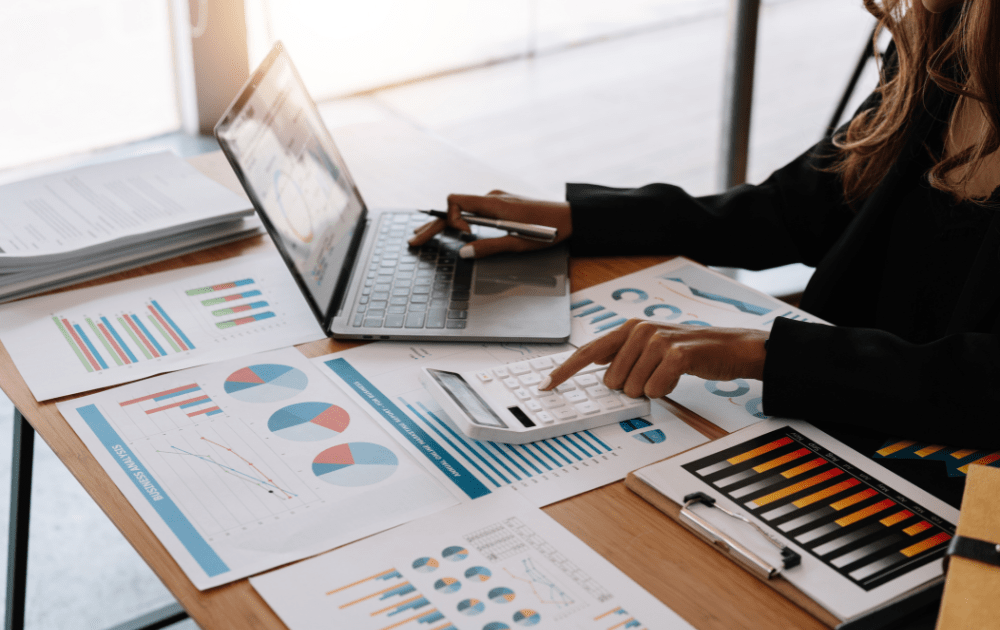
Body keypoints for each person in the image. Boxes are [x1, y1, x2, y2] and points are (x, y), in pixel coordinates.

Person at [409, 0, 1000, 504]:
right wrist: (583, 218)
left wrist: (770, 354)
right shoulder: (943, 35)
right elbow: (799, 208)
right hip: (837, 425)